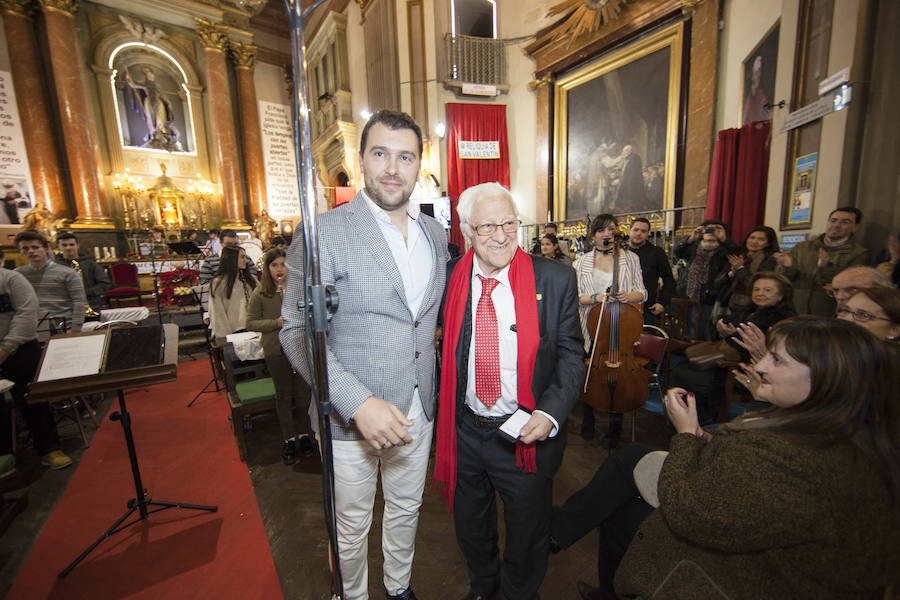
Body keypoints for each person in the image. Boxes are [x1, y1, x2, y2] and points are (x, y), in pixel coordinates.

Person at [553, 317, 900, 600]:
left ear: (828, 380)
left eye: (777, 360)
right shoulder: (854, 432)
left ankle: (566, 548)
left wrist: (687, 433)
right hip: (782, 555)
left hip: (761, 578)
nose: (761, 364)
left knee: (626, 513)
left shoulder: (795, 456)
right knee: (627, 470)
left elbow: (690, 511)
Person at [280, 109, 449, 600]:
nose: (393, 168)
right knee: (350, 527)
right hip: (347, 419)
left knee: (406, 508)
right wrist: (357, 402)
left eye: (405, 156)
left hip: (418, 406)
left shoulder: (435, 235)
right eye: (380, 154)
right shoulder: (322, 233)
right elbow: (296, 332)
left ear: (419, 166)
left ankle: (398, 587)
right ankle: (351, 595)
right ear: (360, 161)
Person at [432, 182, 584, 600]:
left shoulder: (554, 279)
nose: (501, 235)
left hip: (524, 433)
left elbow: (572, 355)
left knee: (527, 532)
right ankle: (484, 587)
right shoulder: (450, 279)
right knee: (471, 526)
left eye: (510, 223)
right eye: (487, 227)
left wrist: (550, 413)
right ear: (466, 230)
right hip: (464, 431)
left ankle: (519, 593)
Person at [669, 272, 796, 425]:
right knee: (682, 367)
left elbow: (746, 347)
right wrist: (725, 330)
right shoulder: (751, 310)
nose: (760, 293)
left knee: (685, 373)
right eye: (757, 289)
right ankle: (685, 418)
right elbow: (729, 326)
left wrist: (731, 335)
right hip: (728, 359)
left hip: (745, 369)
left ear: (781, 295)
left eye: (767, 290)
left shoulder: (780, 319)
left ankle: (699, 421)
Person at [573, 214, 646, 447]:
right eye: (601, 230)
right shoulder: (580, 262)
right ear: (593, 235)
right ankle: (588, 417)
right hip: (590, 326)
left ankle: (616, 424)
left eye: (611, 229)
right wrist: (597, 297)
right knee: (590, 372)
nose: (607, 233)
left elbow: (642, 292)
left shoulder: (630, 258)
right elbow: (575, 297)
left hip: (620, 327)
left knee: (620, 374)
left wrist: (628, 296)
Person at [0, 261, 73, 476]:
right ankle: (5, 453)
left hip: (19, 348)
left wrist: (6, 347)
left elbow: (26, 314)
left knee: (32, 399)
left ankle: (49, 448)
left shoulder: (11, 279)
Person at [246, 249, 314, 464]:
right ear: (267, 268)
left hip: (300, 348)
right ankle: (289, 439)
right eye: (275, 265)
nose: (279, 269)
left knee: (303, 396)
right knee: (284, 396)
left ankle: (304, 435)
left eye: (283, 264)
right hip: (276, 351)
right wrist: (275, 323)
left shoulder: (298, 290)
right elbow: (251, 323)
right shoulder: (261, 293)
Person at [775, 206, 870, 316]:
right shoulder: (802, 247)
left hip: (827, 313)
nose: (836, 225)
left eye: (845, 222)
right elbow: (782, 280)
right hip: (794, 311)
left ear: (855, 227)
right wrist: (787, 267)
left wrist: (825, 268)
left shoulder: (859, 254)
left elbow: (847, 288)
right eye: (833, 221)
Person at [674, 219, 737, 340]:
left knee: (706, 328)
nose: (711, 232)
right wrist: (690, 239)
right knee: (688, 328)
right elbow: (678, 252)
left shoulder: (723, 249)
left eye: (715, 229)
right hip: (689, 293)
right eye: (707, 229)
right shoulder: (694, 246)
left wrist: (724, 239)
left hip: (711, 295)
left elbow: (736, 252)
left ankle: (702, 351)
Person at [15, 230, 86, 334]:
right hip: (31, 328)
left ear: (46, 249)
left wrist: (75, 329)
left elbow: (79, 302)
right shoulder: (17, 275)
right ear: (20, 251)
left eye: (35, 247)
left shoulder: (67, 273)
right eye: (25, 248)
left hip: (63, 327)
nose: (30, 251)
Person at [713, 226, 779, 317]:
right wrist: (732, 272)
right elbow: (717, 282)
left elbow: (754, 284)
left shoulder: (770, 261)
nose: (754, 242)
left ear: (768, 243)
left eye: (761, 239)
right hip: (730, 300)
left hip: (754, 306)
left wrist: (740, 269)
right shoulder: (740, 256)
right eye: (752, 238)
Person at [625, 217, 675, 327]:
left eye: (643, 231)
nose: (639, 234)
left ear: (648, 234)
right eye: (636, 230)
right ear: (629, 231)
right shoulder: (620, 252)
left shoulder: (657, 253)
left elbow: (669, 280)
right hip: (622, 306)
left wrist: (662, 302)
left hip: (647, 308)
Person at [208, 245, 257, 340]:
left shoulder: (251, 280)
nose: (245, 261)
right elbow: (217, 313)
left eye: (245, 257)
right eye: (242, 257)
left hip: (252, 329)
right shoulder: (218, 283)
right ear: (231, 259)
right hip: (231, 333)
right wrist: (225, 338)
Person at [54, 232, 111, 313]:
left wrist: (85, 293)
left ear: (78, 246)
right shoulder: (55, 266)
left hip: (91, 305)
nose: (68, 248)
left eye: (71, 244)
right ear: (59, 247)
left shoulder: (90, 264)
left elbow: (104, 283)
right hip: (65, 308)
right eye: (64, 245)